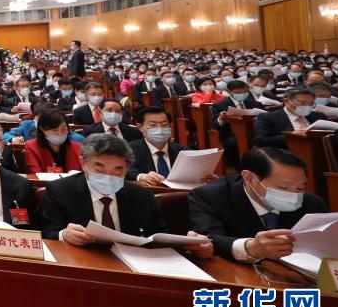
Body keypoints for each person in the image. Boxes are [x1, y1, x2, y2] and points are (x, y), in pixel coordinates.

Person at [42, 133, 213, 258]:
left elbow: (158, 235)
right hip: (83, 261)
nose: (108, 176)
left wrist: (190, 246)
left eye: (118, 169)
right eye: (99, 168)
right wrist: (64, 234)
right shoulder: (59, 191)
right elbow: (48, 231)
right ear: (83, 163)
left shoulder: (142, 196)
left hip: (133, 265)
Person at [188, 147, 328, 261]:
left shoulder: (312, 203)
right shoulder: (211, 196)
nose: (293, 195)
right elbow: (208, 240)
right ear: (249, 178)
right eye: (283, 188)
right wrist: (250, 247)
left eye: (300, 188)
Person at [126, 106, 189, 185]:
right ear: (140, 127)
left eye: (164, 125)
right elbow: (126, 172)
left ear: (170, 126)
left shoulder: (183, 151)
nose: (159, 129)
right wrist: (142, 176)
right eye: (152, 125)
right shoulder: (129, 150)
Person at [254, 88, 326, 149]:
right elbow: (260, 141)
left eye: (311, 103)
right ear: (286, 101)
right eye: (301, 103)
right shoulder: (268, 117)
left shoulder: (319, 116)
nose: (307, 106)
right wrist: (291, 137)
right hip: (285, 155)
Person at [24, 109, 83, 174]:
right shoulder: (31, 147)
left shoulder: (78, 147)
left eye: (63, 129)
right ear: (42, 129)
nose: (60, 133)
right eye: (55, 130)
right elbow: (35, 174)